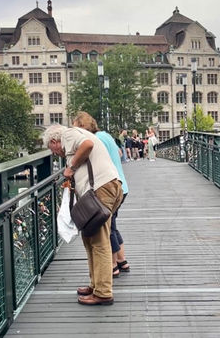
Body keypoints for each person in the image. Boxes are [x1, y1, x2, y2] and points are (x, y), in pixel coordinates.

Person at [43, 124, 123, 305]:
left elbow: (87, 145)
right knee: (90, 238)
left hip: (102, 189)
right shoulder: (73, 137)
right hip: (106, 188)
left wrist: (70, 167)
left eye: (52, 149)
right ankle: (96, 285)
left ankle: (103, 292)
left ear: (55, 141)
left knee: (99, 241)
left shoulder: (68, 134)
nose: (55, 154)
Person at [73, 112, 131, 278]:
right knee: (112, 224)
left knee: (106, 228)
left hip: (109, 185)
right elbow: (120, 154)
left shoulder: (93, 139)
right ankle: (122, 260)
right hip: (121, 184)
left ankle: (113, 266)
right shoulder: (105, 135)